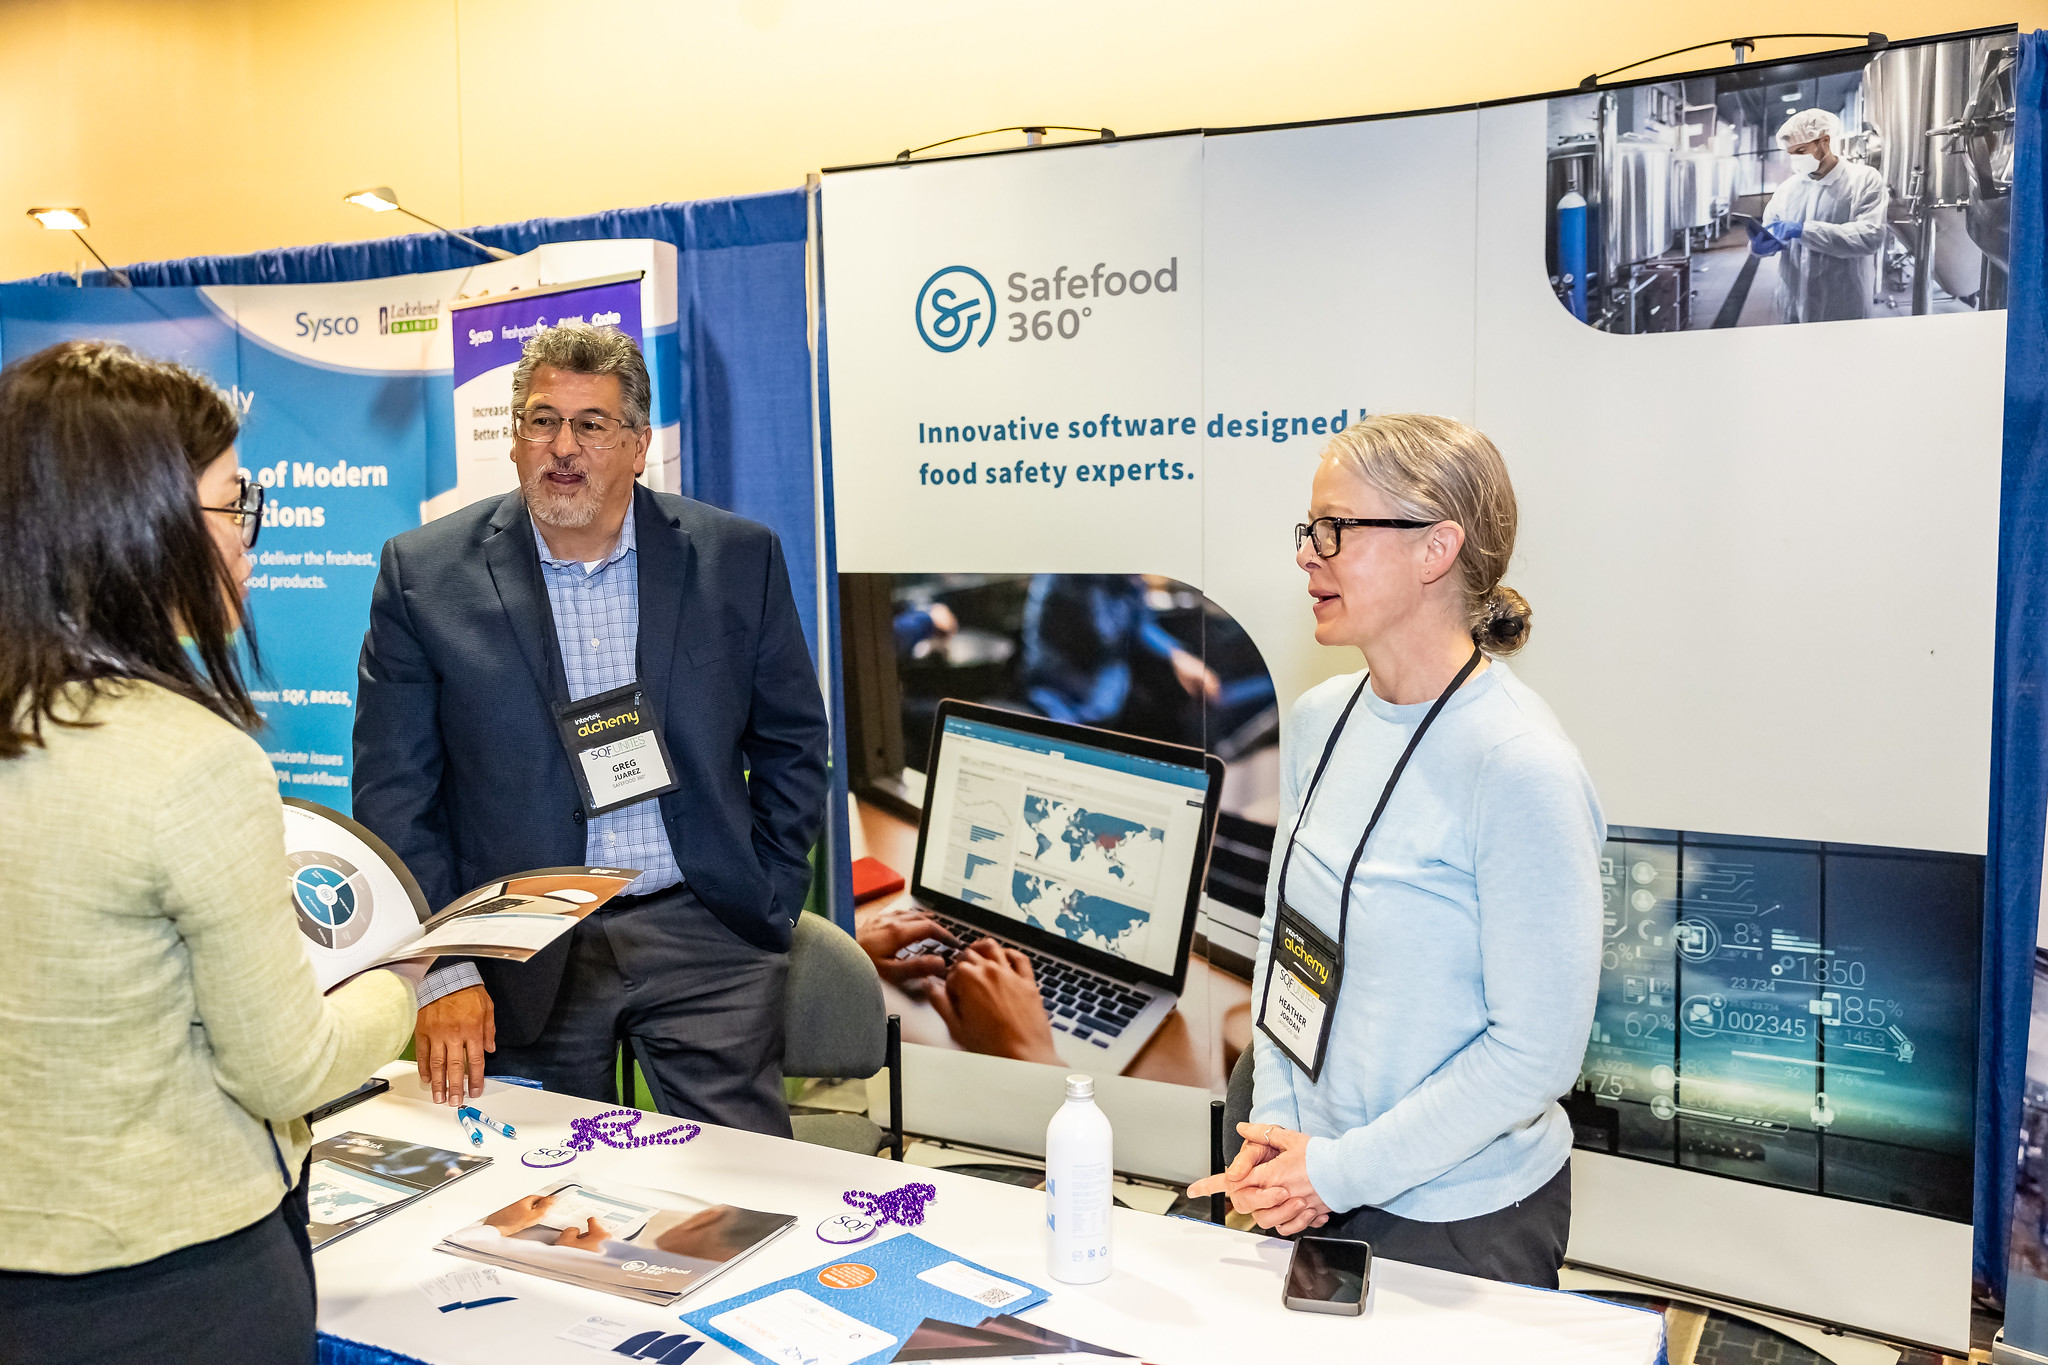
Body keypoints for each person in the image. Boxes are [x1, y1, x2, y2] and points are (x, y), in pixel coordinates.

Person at [0, 340, 418, 1364]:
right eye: (233, 504)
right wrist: (412, 973)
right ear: (137, 521)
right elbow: (289, 1067)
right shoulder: (189, 761)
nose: (247, 539)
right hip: (174, 1287)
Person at [354, 321, 828, 1135]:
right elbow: (397, 796)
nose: (562, 446)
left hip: (704, 932)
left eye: (591, 424)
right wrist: (443, 969)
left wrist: (770, 899)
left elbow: (792, 742)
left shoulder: (736, 557)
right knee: (541, 1208)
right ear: (515, 440)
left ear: (639, 445)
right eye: (541, 421)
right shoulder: (423, 575)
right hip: (523, 950)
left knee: (750, 1187)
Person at [1188, 413, 1603, 1288]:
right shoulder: (1319, 720)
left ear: (1435, 548)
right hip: (1308, 1171)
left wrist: (1335, 1172)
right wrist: (1275, 1137)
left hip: (1462, 1217)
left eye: (1336, 528)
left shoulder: (1519, 764)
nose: (1309, 552)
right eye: (1309, 528)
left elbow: (1535, 1052)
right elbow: (1284, 942)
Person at [1750, 108, 1888, 324]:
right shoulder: (1788, 188)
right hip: (1793, 301)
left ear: (1824, 141)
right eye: (1791, 152)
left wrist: (1803, 230)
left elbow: (1869, 237)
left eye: (1801, 150)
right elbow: (1770, 228)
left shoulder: (1863, 179)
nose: (1795, 159)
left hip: (1842, 302)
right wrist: (1759, 247)